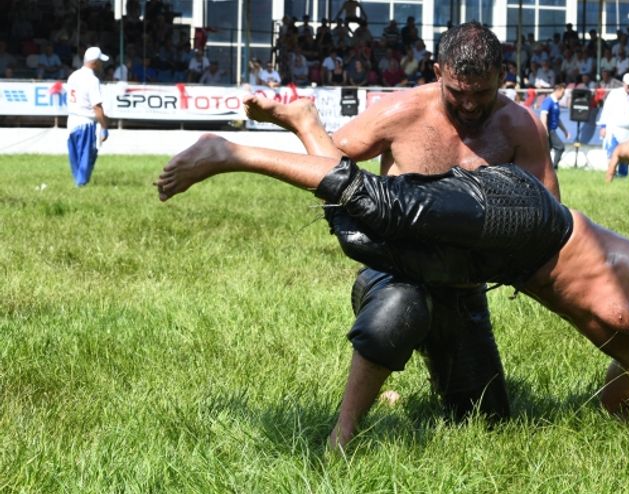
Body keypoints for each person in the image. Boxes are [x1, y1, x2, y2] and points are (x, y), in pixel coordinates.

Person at [155, 111, 629, 464]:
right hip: (534, 224)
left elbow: (616, 405)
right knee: (383, 207)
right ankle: (229, 150)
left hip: (503, 265)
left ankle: (307, 123)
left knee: (360, 235)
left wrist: (627, 424)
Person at [188, 22, 558, 451]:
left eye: (482, 92)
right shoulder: (400, 111)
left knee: (488, 422)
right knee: (403, 306)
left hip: (462, 290)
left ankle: (432, 363)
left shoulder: (522, 127)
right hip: (393, 273)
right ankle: (341, 436)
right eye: (459, 92)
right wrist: (303, 128)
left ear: (502, 76)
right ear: (438, 71)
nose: (471, 104)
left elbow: (547, 214)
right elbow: (331, 169)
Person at [66, 47, 110, 187]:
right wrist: (104, 127)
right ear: (95, 63)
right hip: (85, 123)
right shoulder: (92, 80)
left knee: (76, 158)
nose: (102, 65)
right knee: (86, 157)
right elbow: (97, 106)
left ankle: (77, 185)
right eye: (100, 62)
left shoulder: (73, 76)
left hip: (72, 121)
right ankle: (81, 186)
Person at [597, 72, 629, 178]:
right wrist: (603, 126)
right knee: (613, 153)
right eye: (628, 85)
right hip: (614, 129)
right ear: (623, 83)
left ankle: (622, 176)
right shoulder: (614, 94)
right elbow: (606, 110)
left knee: (626, 156)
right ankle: (610, 175)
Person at [539, 83, 571, 170]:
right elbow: (543, 115)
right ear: (558, 90)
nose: (563, 95)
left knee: (546, 151)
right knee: (560, 147)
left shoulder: (556, 103)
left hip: (552, 130)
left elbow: (557, 119)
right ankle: (553, 168)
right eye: (563, 93)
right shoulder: (549, 101)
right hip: (549, 130)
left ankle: (545, 169)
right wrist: (545, 130)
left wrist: (565, 131)